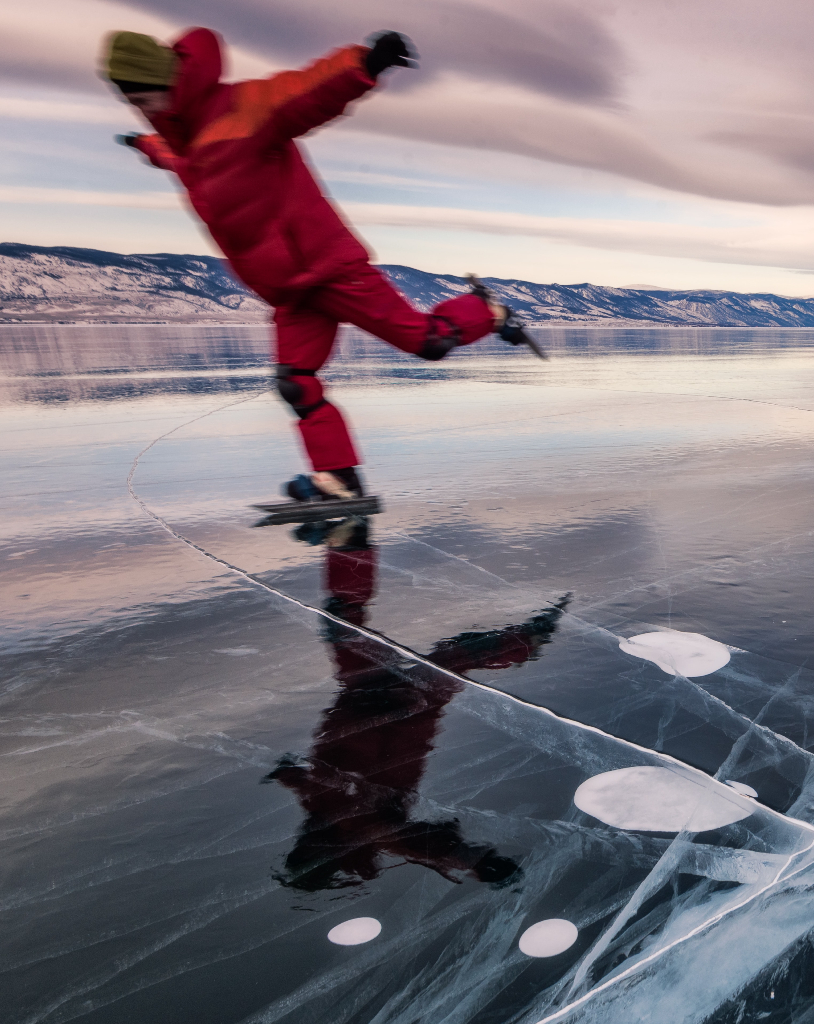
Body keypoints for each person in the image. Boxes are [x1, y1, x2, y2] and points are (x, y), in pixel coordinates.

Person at [103, 28, 532, 505]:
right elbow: (174, 156)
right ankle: (340, 482)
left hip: (328, 267)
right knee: (295, 383)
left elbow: (305, 92)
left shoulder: (243, 109)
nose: (146, 110)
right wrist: (142, 143)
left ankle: (485, 310)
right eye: (135, 104)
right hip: (289, 292)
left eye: (146, 99)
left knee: (426, 342)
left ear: (169, 82)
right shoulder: (183, 146)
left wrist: (363, 64)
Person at [269, 517, 567, 890]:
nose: (302, 843)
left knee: (342, 627)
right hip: (410, 710)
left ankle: (349, 543)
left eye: (298, 848)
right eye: (306, 853)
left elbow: (309, 785)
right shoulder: (368, 831)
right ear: (323, 858)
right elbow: (421, 845)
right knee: (453, 655)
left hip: (363, 692)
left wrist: (286, 774)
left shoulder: (319, 810)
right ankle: (528, 642)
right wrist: (479, 863)